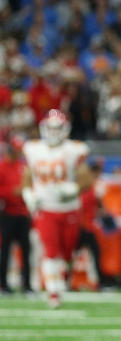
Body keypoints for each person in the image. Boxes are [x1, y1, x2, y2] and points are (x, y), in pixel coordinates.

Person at [21, 110, 93, 308]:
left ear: (65, 129)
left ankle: (60, 279)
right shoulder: (33, 148)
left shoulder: (74, 149)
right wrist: (28, 193)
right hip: (46, 208)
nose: (53, 132)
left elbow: (86, 177)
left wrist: (74, 189)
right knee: (51, 251)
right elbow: (27, 175)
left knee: (68, 251)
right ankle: (53, 292)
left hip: (69, 209)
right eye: (50, 128)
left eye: (57, 128)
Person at [0, 137, 33, 295]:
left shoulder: (23, 166)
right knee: (5, 250)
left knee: (26, 250)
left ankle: (27, 284)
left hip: (23, 214)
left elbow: (31, 186)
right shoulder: (2, 167)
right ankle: (3, 284)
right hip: (8, 214)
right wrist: (12, 192)